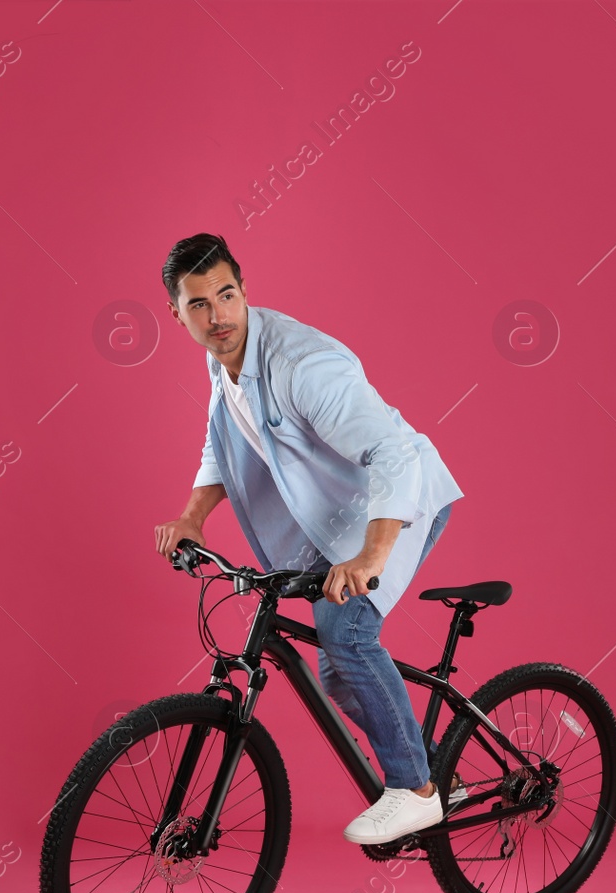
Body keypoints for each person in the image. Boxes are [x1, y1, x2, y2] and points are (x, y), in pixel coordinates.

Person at [152, 233, 465, 846]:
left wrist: (372, 555)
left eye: (227, 295)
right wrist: (192, 517)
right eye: (198, 304)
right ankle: (439, 776)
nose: (217, 316)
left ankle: (415, 791)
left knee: (346, 632)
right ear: (177, 312)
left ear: (244, 290)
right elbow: (224, 444)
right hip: (342, 518)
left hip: (397, 502)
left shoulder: (302, 365)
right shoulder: (224, 358)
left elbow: (392, 453)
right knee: (339, 675)